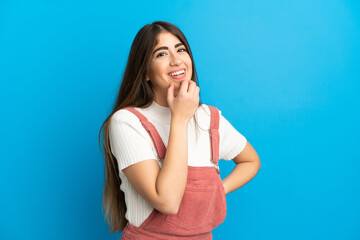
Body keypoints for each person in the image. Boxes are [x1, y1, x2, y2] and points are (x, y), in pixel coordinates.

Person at [98, 21, 261, 239]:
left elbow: (251, 161)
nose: (176, 61)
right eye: (161, 54)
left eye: (181, 49)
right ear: (145, 73)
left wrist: (217, 191)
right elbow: (167, 201)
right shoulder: (127, 122)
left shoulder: (209, 118)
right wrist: (180, 119)